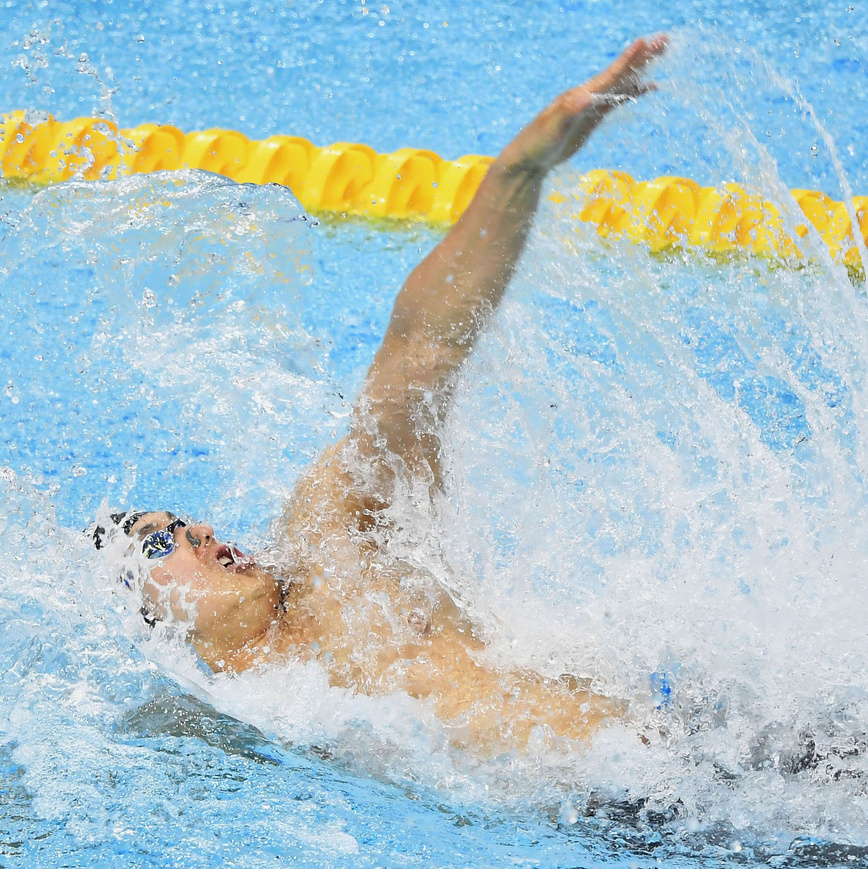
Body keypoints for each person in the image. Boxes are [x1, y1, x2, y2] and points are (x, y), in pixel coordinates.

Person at [94, 36, 668, 754]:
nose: (200, 532)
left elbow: (421, 352)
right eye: (161, 543)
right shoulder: (225, 727)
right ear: (147, 620)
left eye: (180, 522)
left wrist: (520, 171)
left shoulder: (331, 547)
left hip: (695, 789)